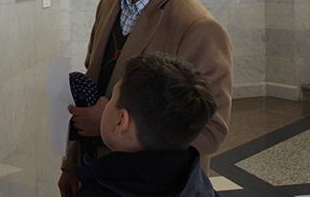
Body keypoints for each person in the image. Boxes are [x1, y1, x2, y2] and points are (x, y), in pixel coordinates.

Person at [58, 0, 233, 197]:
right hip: (97, 178)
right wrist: (71, 165)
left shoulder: (199, 28)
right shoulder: (109, 2)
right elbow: (90, 90)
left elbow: (211, 131)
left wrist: (112, 124)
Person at [76, 52, 219, 196]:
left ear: (121, 121)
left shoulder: (98, 191)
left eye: (112, 97)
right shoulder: (200, 187)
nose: (106, 102)